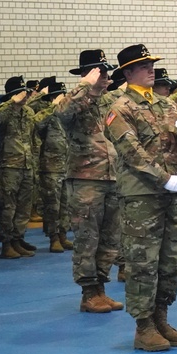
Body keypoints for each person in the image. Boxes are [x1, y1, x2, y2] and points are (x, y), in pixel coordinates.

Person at [105, 44, 177, 352]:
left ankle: (161, 317)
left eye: (151, 64)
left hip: (173, 192)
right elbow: (131, 152)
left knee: (171, 261)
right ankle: (143, 326)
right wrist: (165, 179)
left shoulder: (167, 105)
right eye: (143, 66)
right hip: (142, 194)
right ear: (128, 73)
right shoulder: (120, 107)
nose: (150, 69)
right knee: (143, 261)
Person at [56, 50, 123, 314]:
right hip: (85, 179)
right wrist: (84, 85)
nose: (107, 77)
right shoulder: (71, 101)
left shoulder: (109, 102)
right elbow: (62, 113)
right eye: (101, 72)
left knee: (109, 238)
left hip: (113, 177)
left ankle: (101, 289)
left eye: (107, 73)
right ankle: (88, 292)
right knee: (87, 238)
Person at [0, 75, 39, 258]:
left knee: (24, 207)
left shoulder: (28, 112)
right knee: (8, 208)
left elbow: (33, 139)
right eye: (20, 93)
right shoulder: (2, 110)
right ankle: (6, 243)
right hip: (9, 167)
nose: (24, 96)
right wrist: (12, 103)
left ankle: (18, 239)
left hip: (27, 166)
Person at [30, 78, 74, 253]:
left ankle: (63, 234)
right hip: (50, 166)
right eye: (58, 96)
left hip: (67, 165)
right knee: (52, 205)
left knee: (65, 204)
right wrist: (51, 106)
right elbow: (36, 123)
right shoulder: (45, 112)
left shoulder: (66, 114)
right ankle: (53, 237)